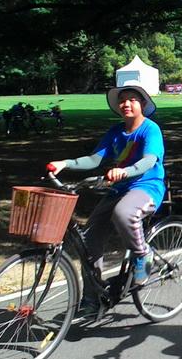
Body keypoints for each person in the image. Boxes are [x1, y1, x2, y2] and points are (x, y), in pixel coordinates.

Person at [48, 82, 165, 317]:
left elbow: (149, 160)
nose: (126, 104)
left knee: (123, 213)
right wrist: (65, 163)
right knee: (89, 240)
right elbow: (94, 160)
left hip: (146, 187)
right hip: (118, 189)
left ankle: (143, 255)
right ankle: (92, 300)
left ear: (142, 104)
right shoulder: (115, 132)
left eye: (132, 99)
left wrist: (126, 171)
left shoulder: (150, 130)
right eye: (122, 100)